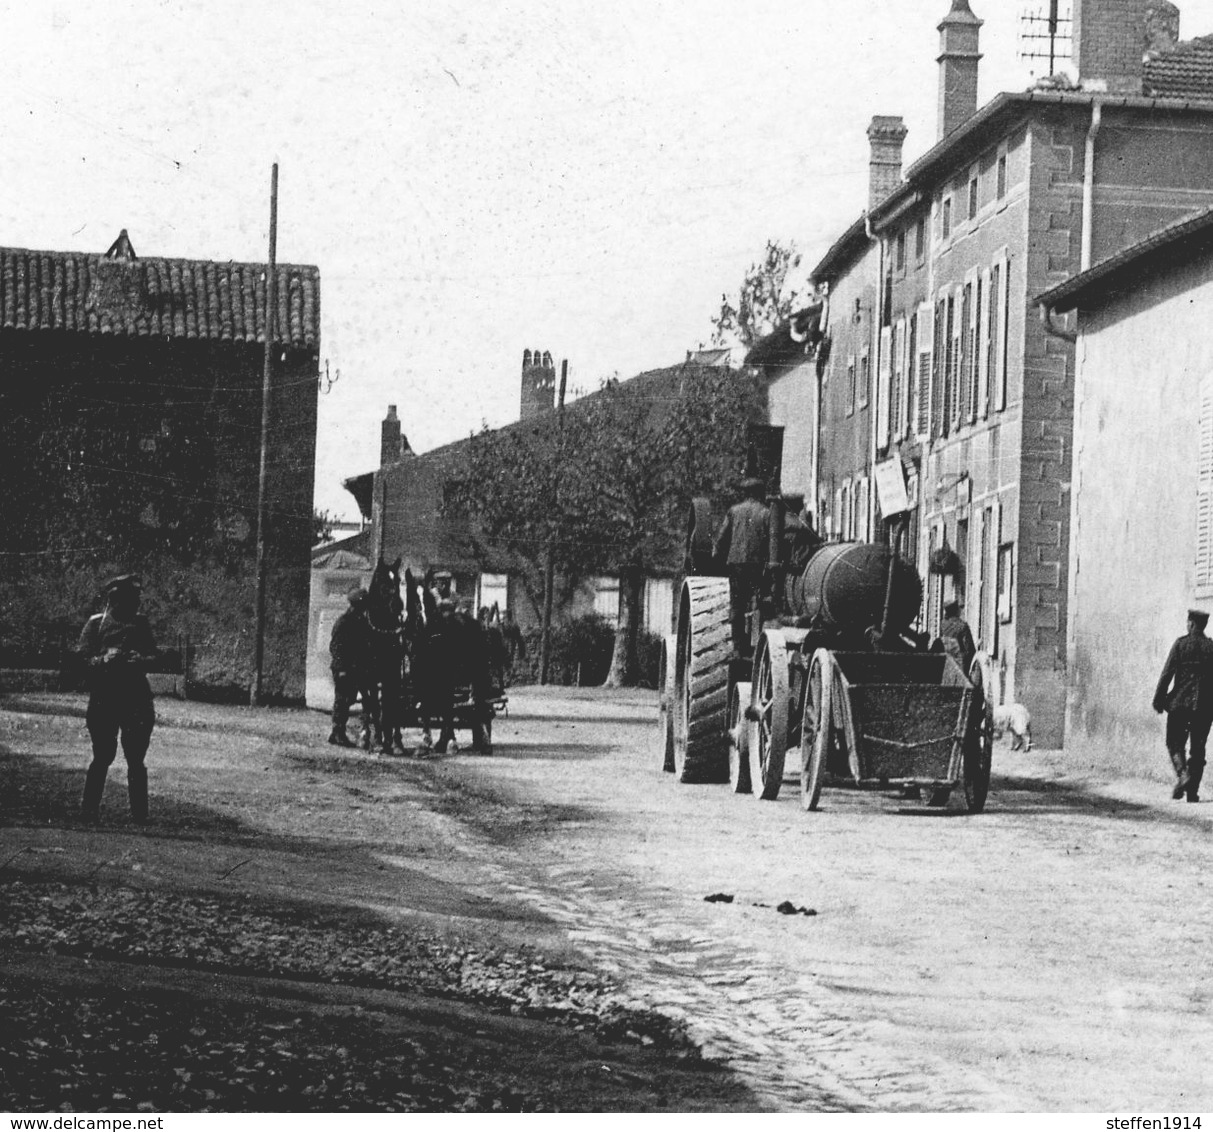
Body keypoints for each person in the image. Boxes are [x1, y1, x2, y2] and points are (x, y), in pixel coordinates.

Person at [77, 574, 159, 825]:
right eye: (129, 601)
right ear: (115, 601)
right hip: (105, 697)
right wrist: (103, 659)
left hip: (136, 697)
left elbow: (154, 656)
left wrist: (140, 659)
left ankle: (140, 815)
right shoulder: (96, 624)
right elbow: (79, 661)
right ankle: (89, 811)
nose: (134, 606)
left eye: (136, 601)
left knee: (136, 758)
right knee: (102, 755)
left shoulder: (141, 623)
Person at [1153, 608, 1213, 802]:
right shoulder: (1211, 647)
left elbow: (1167, 674)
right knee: (1198, 748)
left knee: (1174, 742)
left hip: (1180, 705)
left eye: (1188, 622)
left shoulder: (1181, 644)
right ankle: (1192, 792)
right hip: (1204, 707)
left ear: (1192, 624)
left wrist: (1159, 699)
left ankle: (1183, 774)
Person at [713, 476, 770, 656]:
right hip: (758, 565)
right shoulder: (766, 512)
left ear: (745, 494)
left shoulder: (733, 511)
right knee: (761, 603)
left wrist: (717, 559)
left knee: (737, 605)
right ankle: (758, 647)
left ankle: (738, 648)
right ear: (760, 493)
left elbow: (722, 539)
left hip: (736, 564)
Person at [328, 587, 369, 747]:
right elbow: (335, 647)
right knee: (342, 700)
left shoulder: (362, 621)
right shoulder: (344, 622)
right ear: (355, 605)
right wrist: (342, 669)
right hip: (344, 668)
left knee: (349, 698)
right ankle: (337, 732)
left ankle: (338, 732)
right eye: (362, 605)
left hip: (356, 668)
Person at [782, 493, 823, 573]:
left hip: (784, 567)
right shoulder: (801, 524)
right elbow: (817, 541)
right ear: (797, 506)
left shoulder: (780, 522)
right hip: (798, 566)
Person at [939, 601, 977, 676]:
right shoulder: (962, 625)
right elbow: (969, 649)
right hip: (959, 664)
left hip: (945, 663)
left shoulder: (943, 624)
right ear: (956, 611)